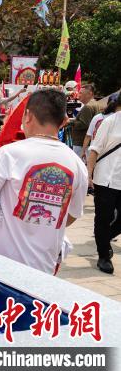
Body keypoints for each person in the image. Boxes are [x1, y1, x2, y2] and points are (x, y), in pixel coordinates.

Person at [0, 89, 88, 275]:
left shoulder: (9, 153)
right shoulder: (77, 164)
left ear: (27, 116)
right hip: (44, 264)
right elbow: (71, 215)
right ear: (64, 121)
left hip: (0, 261)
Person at [86, 97, 121, 274]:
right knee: (103, 218)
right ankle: (103, 256)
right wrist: (89, 174)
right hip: (105, 178)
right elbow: (95, 149)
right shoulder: (109, 122)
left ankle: (105, 239)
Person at [70, 84, 103, 157]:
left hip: (81, 143)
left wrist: (70, 122)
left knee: (79, 166)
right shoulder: (95, 104)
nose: (79, 95)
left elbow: (84, 124)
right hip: (88, 142)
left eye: (81, 93)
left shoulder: (88, 107)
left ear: (90, 94)